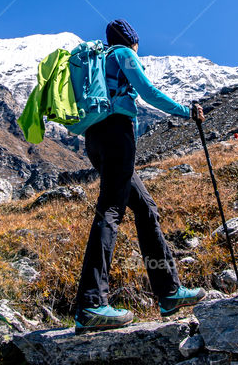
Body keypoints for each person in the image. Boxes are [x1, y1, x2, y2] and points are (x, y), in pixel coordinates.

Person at [75, 19, 207, 334]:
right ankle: (91, 303)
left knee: (146, 209)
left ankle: (168, 293)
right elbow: (148, 92)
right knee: (110, 209)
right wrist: (186, 112)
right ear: (133, 39)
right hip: (117, 134)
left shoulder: (99, 61)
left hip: (95, 137)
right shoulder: (123, 54)